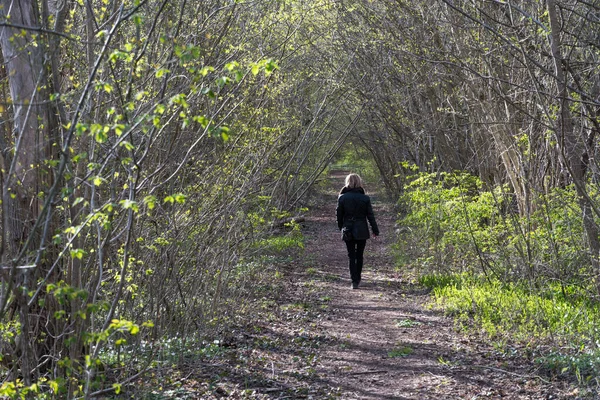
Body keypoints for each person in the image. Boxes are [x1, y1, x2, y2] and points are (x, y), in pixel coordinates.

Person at [336, 173, 379, 289]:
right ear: (359, 182)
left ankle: (353, 280)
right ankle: (357, 278)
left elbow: (339, 216)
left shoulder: (342, 197)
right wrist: (375, 230)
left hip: (348, 228)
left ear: (347, 182)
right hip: (361, 229)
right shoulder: (365, 198)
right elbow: (370, 216)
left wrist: (341, 228)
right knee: (359, 255)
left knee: (351, 255)